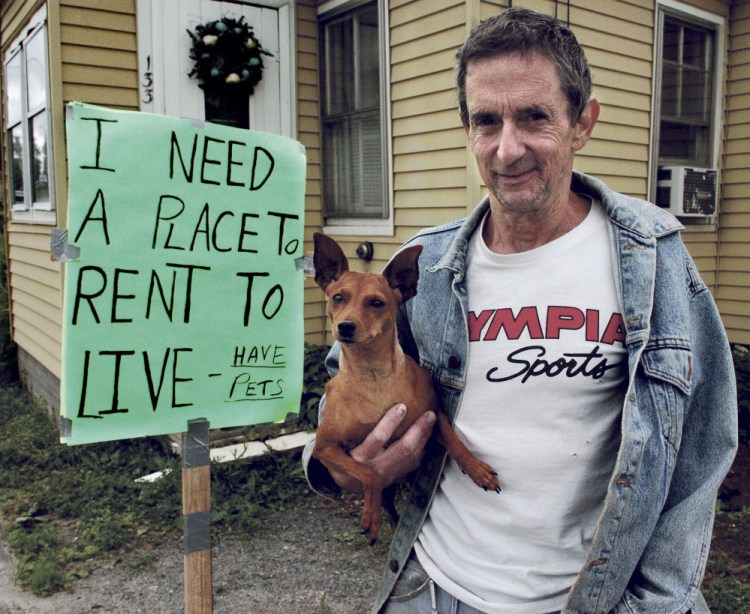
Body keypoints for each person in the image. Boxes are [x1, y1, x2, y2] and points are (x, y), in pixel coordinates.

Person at [304, 7, 738, 613]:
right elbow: (340, 387)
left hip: (582, 600)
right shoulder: (425, 266)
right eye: (486, 121)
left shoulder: (654, 261)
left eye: (534, 117)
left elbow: (704, 445)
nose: (507, 149)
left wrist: (659, 601)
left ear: (582, 122)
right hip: (432, 587)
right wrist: (338, 470)